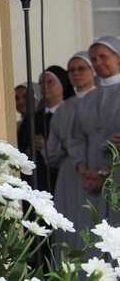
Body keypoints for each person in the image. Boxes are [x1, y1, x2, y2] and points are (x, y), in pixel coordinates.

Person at [47, 52, 96, 260]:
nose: (76, 73)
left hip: (96, 171)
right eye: (72, 70)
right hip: (69, 176)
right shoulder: (64, 108)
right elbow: (51, 152)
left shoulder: (103, 99)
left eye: (81, 68)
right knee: (71, 224)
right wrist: (64, 147)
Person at [69, 36, 120, 233]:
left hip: (116, 172)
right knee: (93, 230)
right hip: (90, 178)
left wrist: (105, 171)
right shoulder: (88, 97)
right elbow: (76, 137)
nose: (98, 63)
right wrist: (84, 170)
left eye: (103, 57)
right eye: (94, 59)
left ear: (117, 58)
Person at [18, 65, 74, 194]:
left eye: (50, 82)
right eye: (41, 83)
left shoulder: (71, 113)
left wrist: (48, 146)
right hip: (35, 177)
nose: (45, 87)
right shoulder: (32, 117)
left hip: (61, 175)